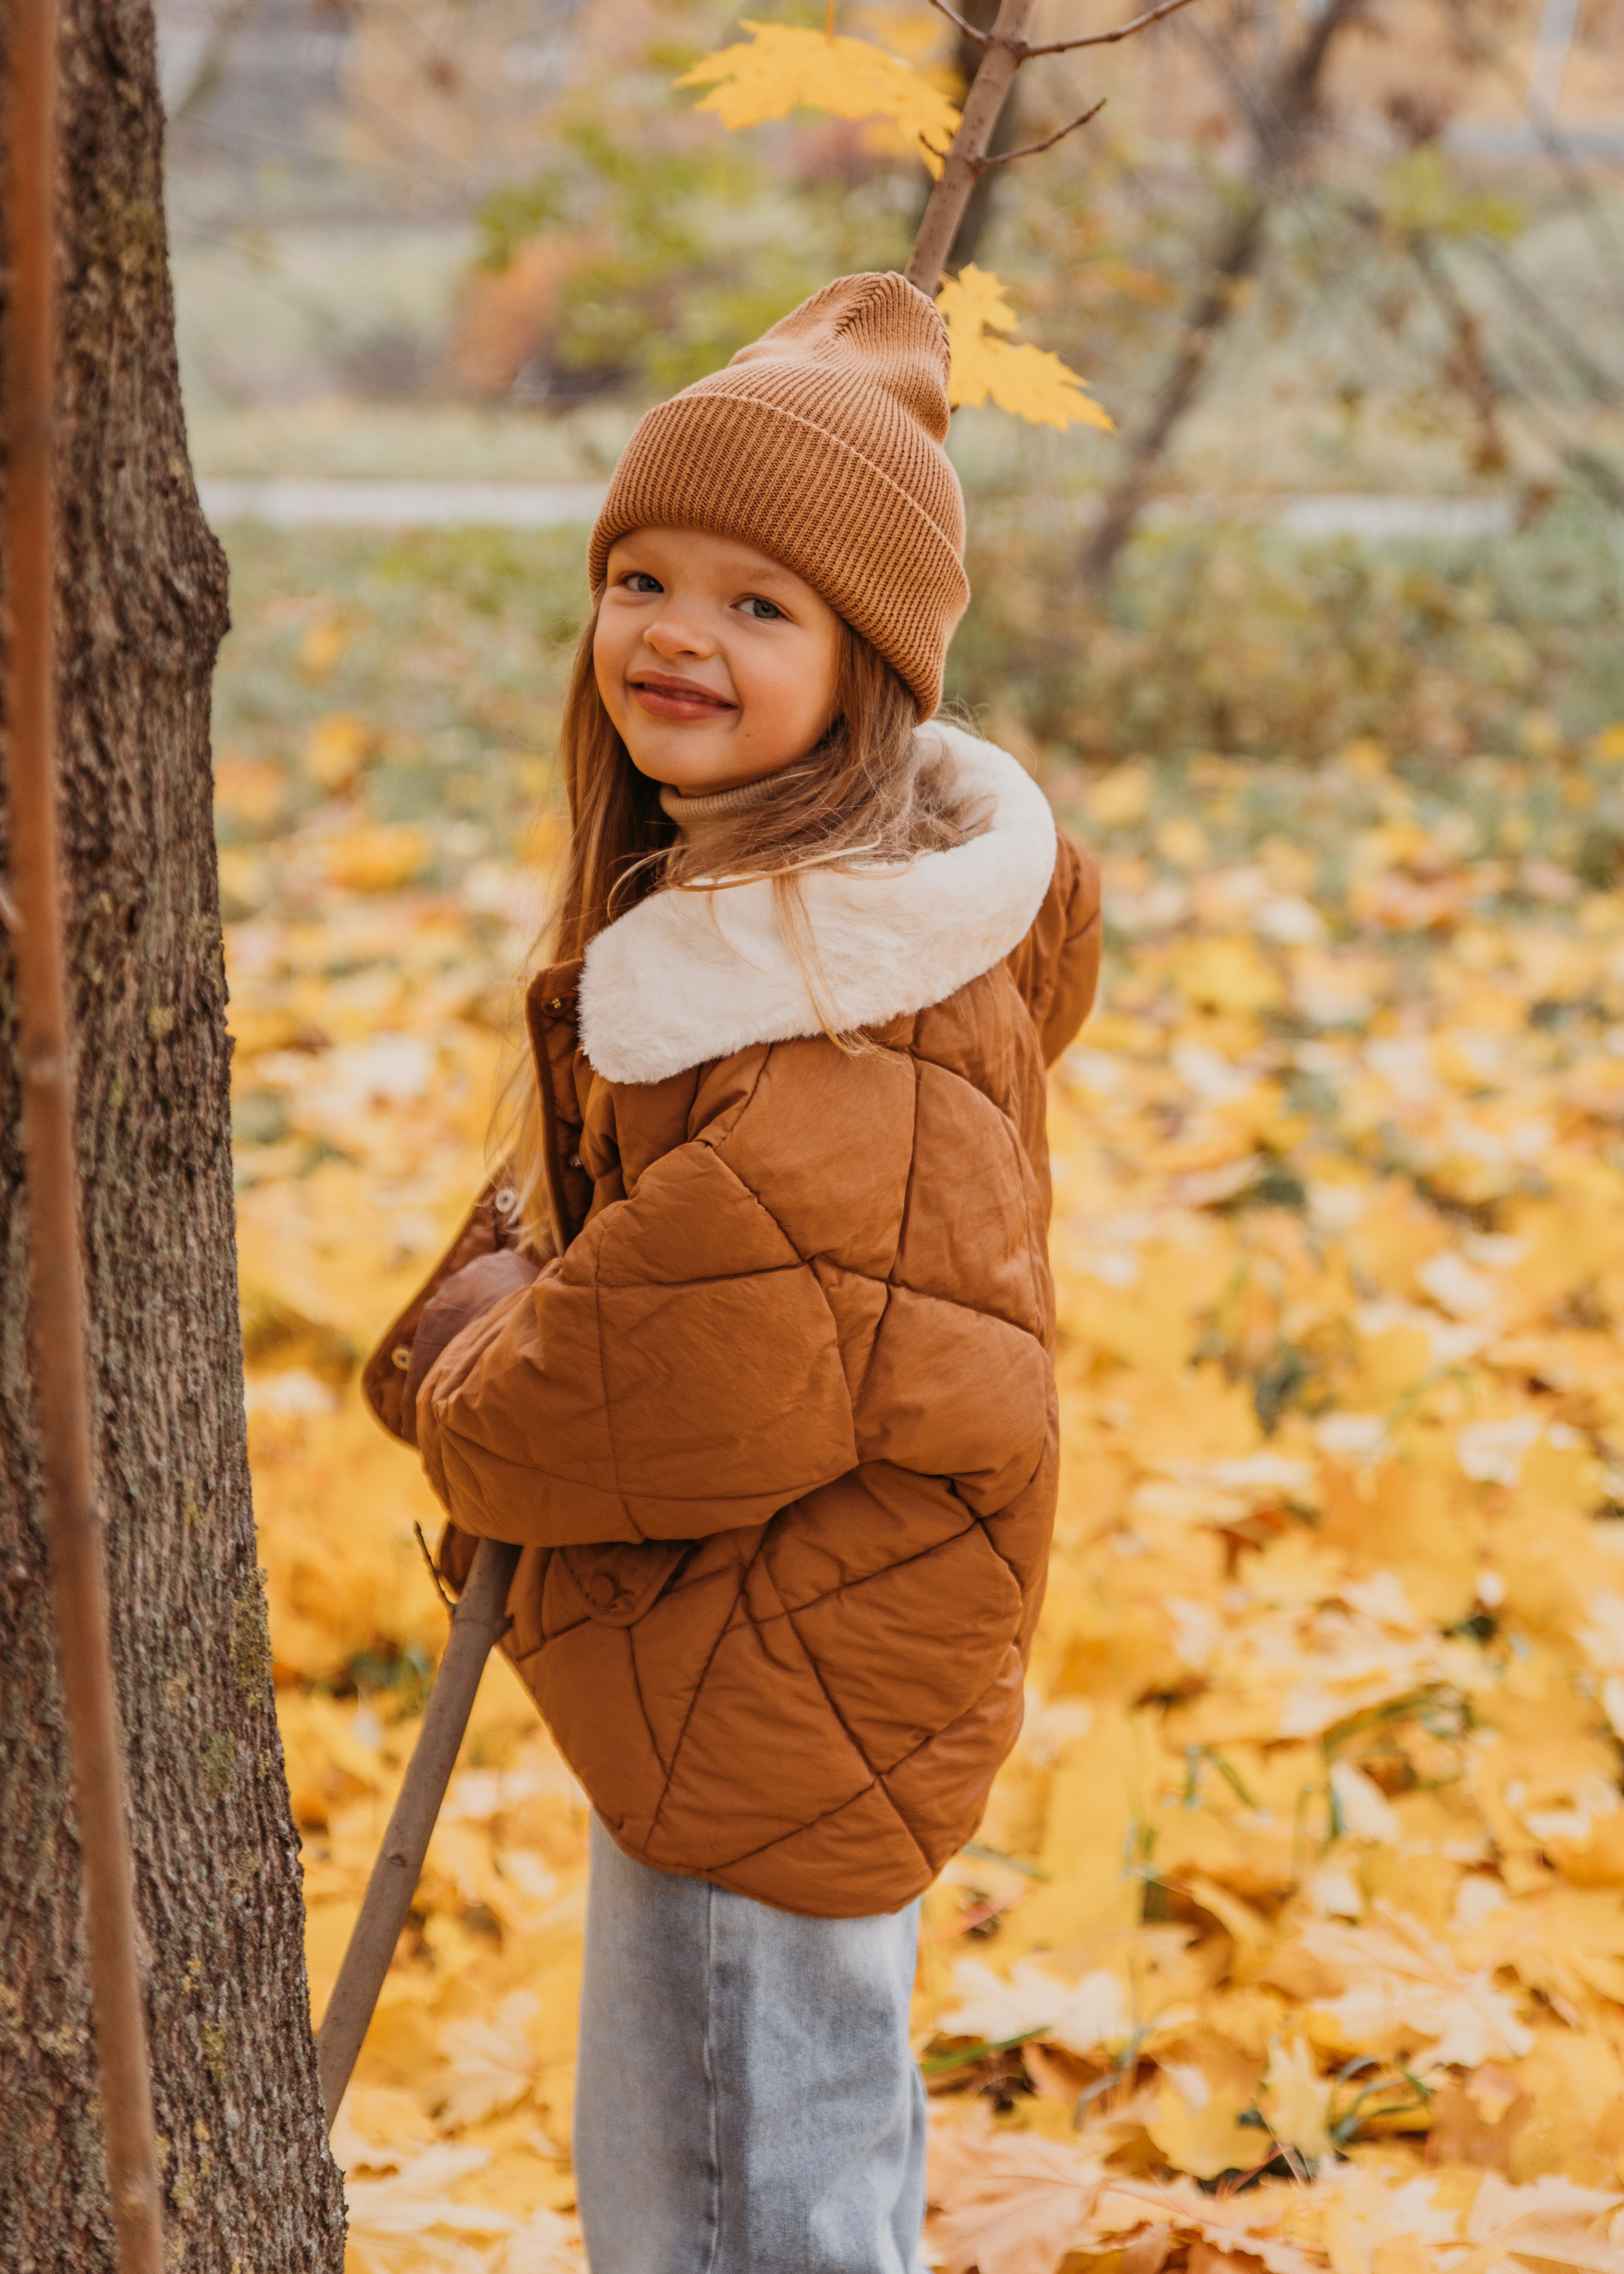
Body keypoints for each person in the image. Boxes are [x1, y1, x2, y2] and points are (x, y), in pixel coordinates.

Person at [363, 271, 1101, 2274]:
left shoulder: (834, 997)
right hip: (776, 1653)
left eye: (762, 606)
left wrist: (463, 1372)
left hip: (780, 1674)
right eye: (645, 580)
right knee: (772, 2169)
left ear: (867, 673)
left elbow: (698, 1369)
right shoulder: (781, 927)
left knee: (737, 2199)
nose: (679, 633)